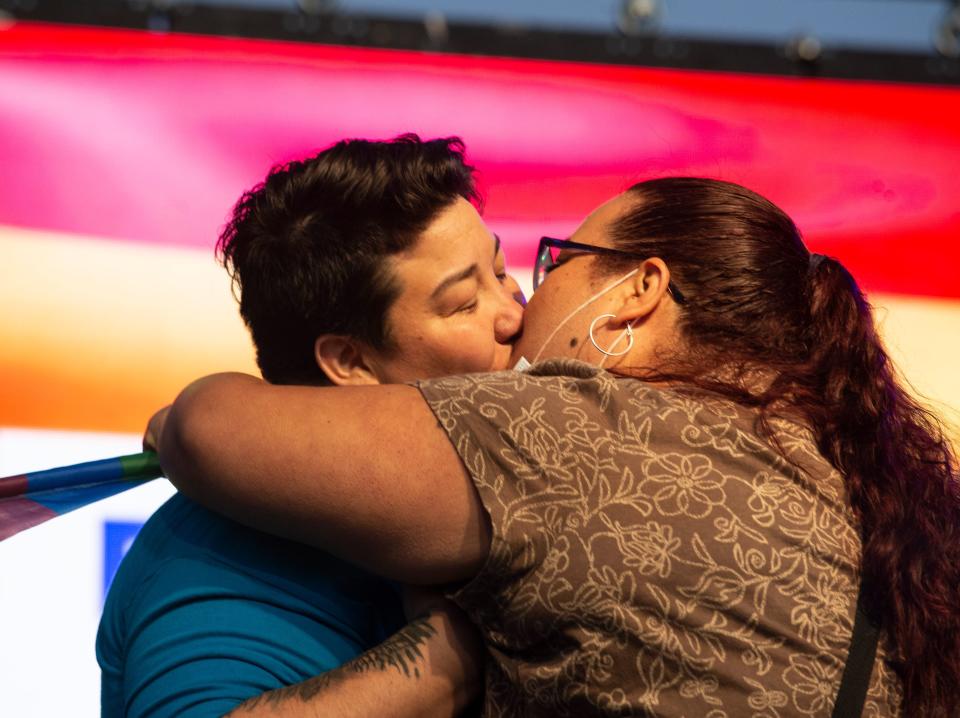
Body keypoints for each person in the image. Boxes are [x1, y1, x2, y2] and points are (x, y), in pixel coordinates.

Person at [148, 177, 960, 716]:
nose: (518, 308)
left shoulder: (586, 432)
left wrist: (448, 658)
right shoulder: (837, 473)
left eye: (539, 267)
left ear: (635, 294)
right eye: (470, 296)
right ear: (349, 363)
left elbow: (201, 428)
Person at [97, 134, 525, 717]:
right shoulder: (215, 564)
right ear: (349, 362)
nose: (513, 313)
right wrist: (454, 658)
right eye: (462, 305)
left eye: (500, 273)